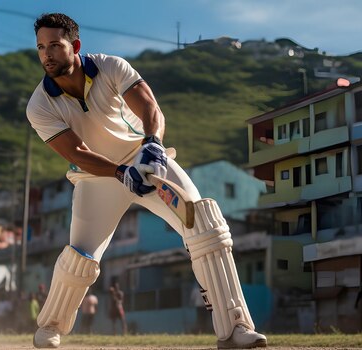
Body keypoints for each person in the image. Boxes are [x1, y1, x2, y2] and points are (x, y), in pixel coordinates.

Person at [26, 13, 267, 349]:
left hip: (146, 161)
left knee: (205, 227)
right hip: (97, 178)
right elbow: (77, 152)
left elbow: (150, 107)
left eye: (54, 45)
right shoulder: (39, 104)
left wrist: (152, 145)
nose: (47, 54)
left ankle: (235, 328)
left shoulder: (110, 67)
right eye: (41, 47)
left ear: (75, 46)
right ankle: (49, 328)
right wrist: (119, 174)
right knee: (80, 257)